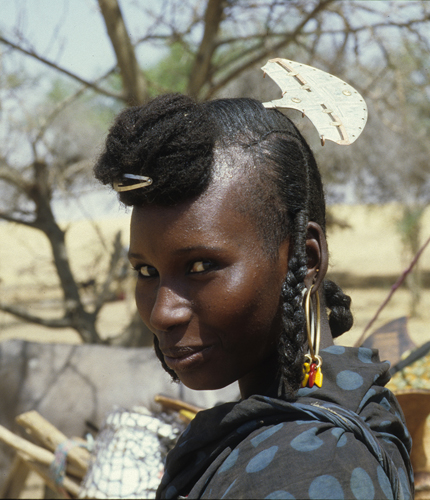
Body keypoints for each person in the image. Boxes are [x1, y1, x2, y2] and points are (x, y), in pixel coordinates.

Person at [93, 93, 413, 499]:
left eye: (200, 267)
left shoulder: (312, 462)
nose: (162, 313)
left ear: (306, 258)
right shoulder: (335, 407)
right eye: (146, 272)